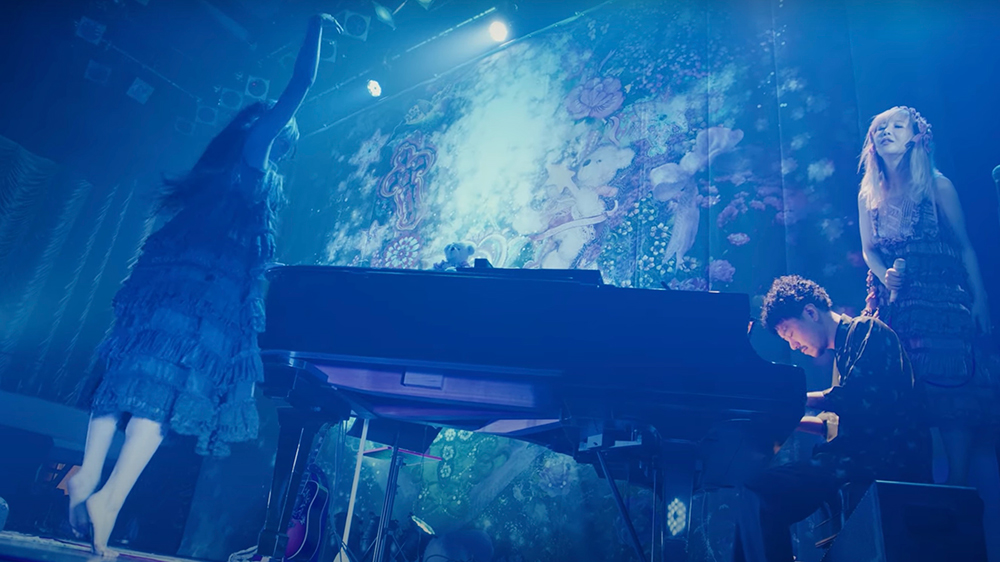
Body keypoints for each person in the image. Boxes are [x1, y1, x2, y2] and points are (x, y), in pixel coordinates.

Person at [64, 14, 341, 557]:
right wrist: (316, 28)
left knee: (134, 382)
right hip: (201, 290)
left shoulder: (227, 171)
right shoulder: (255, 158)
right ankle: (106, 495)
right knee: (158, 393)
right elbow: (300, 85)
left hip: (176, 280)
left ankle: (95, 481)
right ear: (274, 135)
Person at [857, 106, 1000, 557]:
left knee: (951, 393)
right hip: (897, 307)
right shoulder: (869, 193)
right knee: (910, 393)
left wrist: (980, 300)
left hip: (943, 302)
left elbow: (966, 246)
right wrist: (884, 275)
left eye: (895, 126)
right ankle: (921, 495)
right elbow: (868, 249)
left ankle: (957, 489)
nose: (885, 132)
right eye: (879, 128)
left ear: (916, 136)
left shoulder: (938, 186)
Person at [732, 275, 930, 562]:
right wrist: (782, 416)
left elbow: (861, 395)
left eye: (790, 333)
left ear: (811, 312)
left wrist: (790, 399)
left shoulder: (867, 329)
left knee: (762, 493)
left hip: (883, 459)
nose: (793, 346)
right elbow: (832, 423)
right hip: (856, 459)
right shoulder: (844, 354)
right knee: (752, 493)